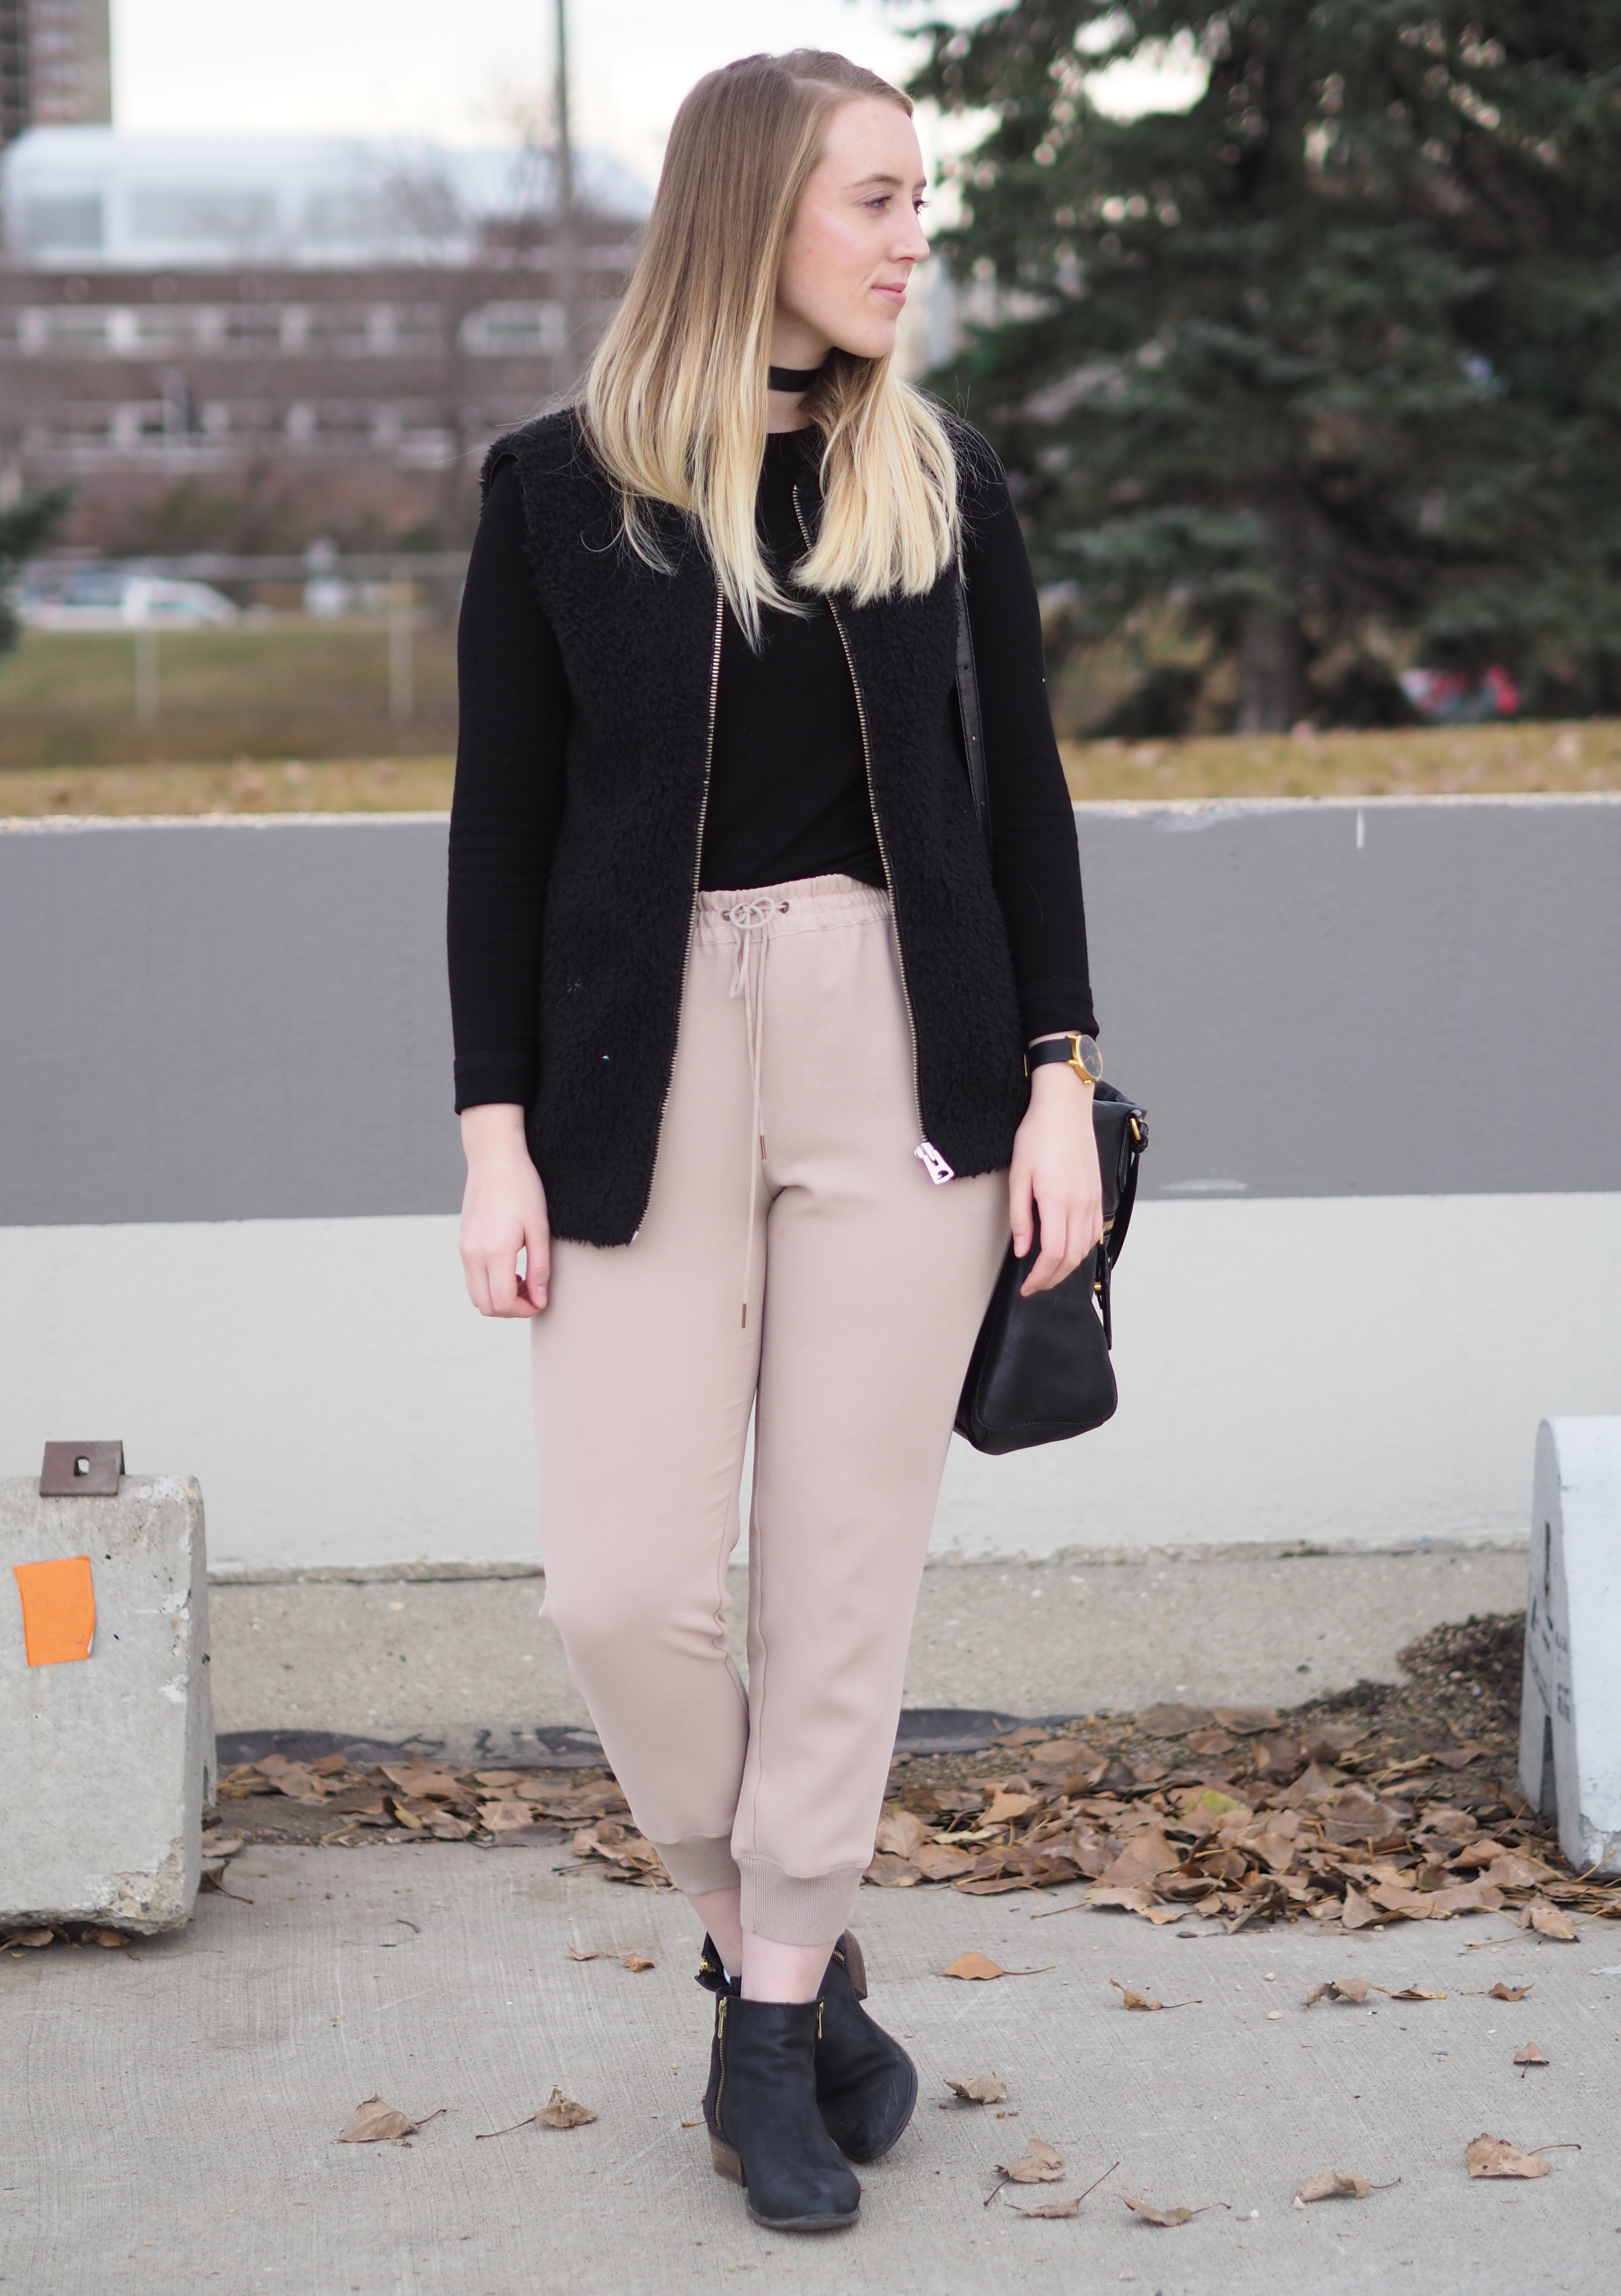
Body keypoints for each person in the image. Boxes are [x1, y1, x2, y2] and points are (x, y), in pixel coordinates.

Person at [448, 48, 1101, 2236]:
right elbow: (500, 841)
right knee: (621, 1585)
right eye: (880, 200)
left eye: (927, 200)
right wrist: (493, 1138)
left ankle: (768, 2022)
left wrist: (1054, 1086)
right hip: (636, 1063)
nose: (918, 236)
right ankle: (775, 1948)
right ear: (757, 216)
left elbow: (1024, 809)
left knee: (840, 1583)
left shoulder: (949, 486)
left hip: (896, 1056)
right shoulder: (558, 489)